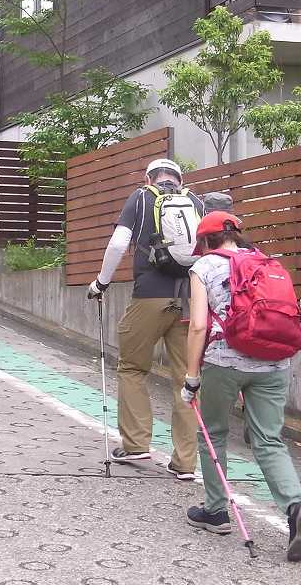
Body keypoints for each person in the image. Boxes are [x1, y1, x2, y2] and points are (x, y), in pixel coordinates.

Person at [182, 211, 301, 561]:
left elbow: (198, 326)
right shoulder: (266, 262)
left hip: (224, 362)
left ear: (206, 242)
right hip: (274, 362)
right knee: (268, 440)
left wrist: (191, 378)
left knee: (212, 433)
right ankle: (296, 506)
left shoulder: (203, 268)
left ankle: (215, 511)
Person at [87, 158, 204, 480]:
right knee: (187, 379)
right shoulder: (195, 202)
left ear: (149, 177)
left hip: (150, 296)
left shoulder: (141, 197)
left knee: (133, 367)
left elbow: (119, 242)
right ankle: (185, 463)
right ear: (180, 179)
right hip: (191, 302)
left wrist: (102, 282)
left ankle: (136, 442)